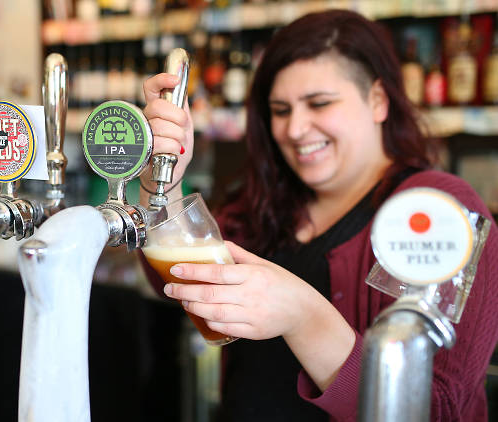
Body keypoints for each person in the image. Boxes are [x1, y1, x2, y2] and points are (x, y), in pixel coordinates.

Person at [139, 9, 498, 421]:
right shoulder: (265, 203)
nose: (295, 129)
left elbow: (438, 409)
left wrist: (304, 315)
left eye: (320, 103)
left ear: (378, 101)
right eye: (280, 110)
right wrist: (161, 177)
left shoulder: (438, 210)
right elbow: (176, 279)